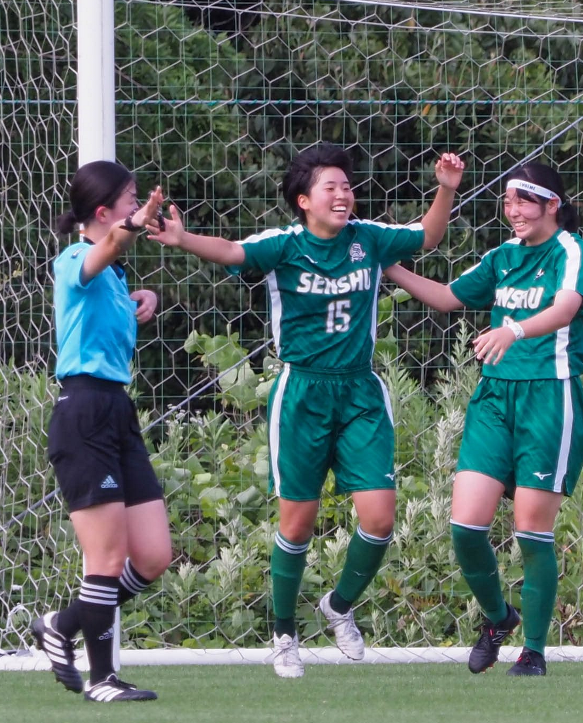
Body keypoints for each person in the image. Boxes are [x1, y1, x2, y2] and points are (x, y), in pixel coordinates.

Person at [151, 143, 464, 677]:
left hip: (360, 392)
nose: (343, 194)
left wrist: (446, 189)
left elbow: (428, 236)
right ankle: (284, 634)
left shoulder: (368, 239)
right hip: (301, 395)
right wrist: (182, 239)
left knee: (380, 519)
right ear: (304, 200)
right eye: (330, 187)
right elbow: (230, 251)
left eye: (347, 186)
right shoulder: (284, 246)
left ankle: (338, 606)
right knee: (297, 526)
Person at [384, 161, 583, 676]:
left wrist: (514, 330)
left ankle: (534, 652)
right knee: (464, 526)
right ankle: (499, 618)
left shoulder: (571, 251)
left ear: (552, 204)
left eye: (524, 200)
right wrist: (384, 264)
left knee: (531, 532)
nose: (513, 210)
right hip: (494, 400)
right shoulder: (501, 257)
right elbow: (445, 298)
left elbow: (566, 308)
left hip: (550, 400)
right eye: (507, 201)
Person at [31, 161, 174, 702]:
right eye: (131, 199)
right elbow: (107, 247)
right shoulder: (74, 258)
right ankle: (103, 679)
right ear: (103, 211)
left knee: (154, 555)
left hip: (117, 410)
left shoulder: (114, 277)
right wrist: (134, 225)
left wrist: (144, 298)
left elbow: (110, 282)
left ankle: (62, 624)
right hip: (84, 412)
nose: (139, 206)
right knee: (106, 561)